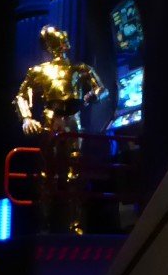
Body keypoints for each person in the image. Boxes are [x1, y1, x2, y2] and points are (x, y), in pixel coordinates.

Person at [13, 26, 106, 233]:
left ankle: (75, 223)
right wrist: (26, 117)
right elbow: (21, 95)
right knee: (47, 172)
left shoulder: (79, 68)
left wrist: (95, 95)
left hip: (73, 117)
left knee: (75, 170)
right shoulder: (39, 71)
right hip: (51, 117)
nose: (62, 41)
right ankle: (45, 224)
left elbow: (101, 88)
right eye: (57, 39)